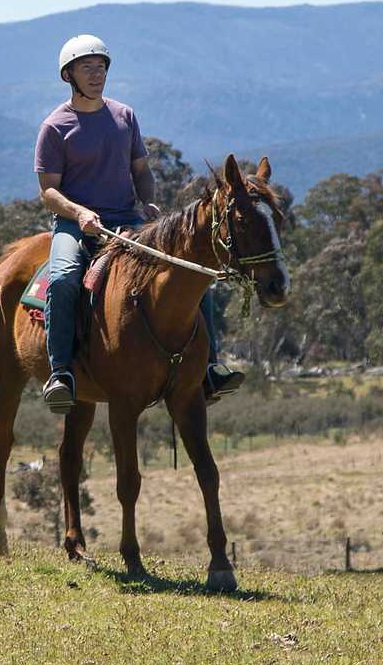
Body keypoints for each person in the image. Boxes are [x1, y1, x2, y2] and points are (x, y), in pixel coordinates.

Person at [35, 35, 242, 414]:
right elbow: (49, 191)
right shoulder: (55, 127)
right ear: (69, 75)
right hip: (75, 224)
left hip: (128, 219)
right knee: (63, 278)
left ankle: (210, 365)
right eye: (87, 68)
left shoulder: (124, 116)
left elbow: (141, 171)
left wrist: (147, 202)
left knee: (192, 273)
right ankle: (61, 372)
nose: (96, 75)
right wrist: (79, 213)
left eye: (101, 67)